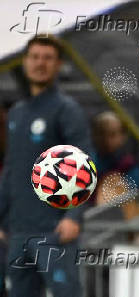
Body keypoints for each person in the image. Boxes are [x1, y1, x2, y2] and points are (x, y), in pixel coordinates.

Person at [0, 35, 92, 297]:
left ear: (58, 64)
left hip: (54, 230)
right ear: (25, 62)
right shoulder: (16, 112)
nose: (40, 63)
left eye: (47, 58)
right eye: (35, 57)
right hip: (18, 232)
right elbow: (11, 169)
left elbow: (84, 164)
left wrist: (74, 217)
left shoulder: (66, 110)